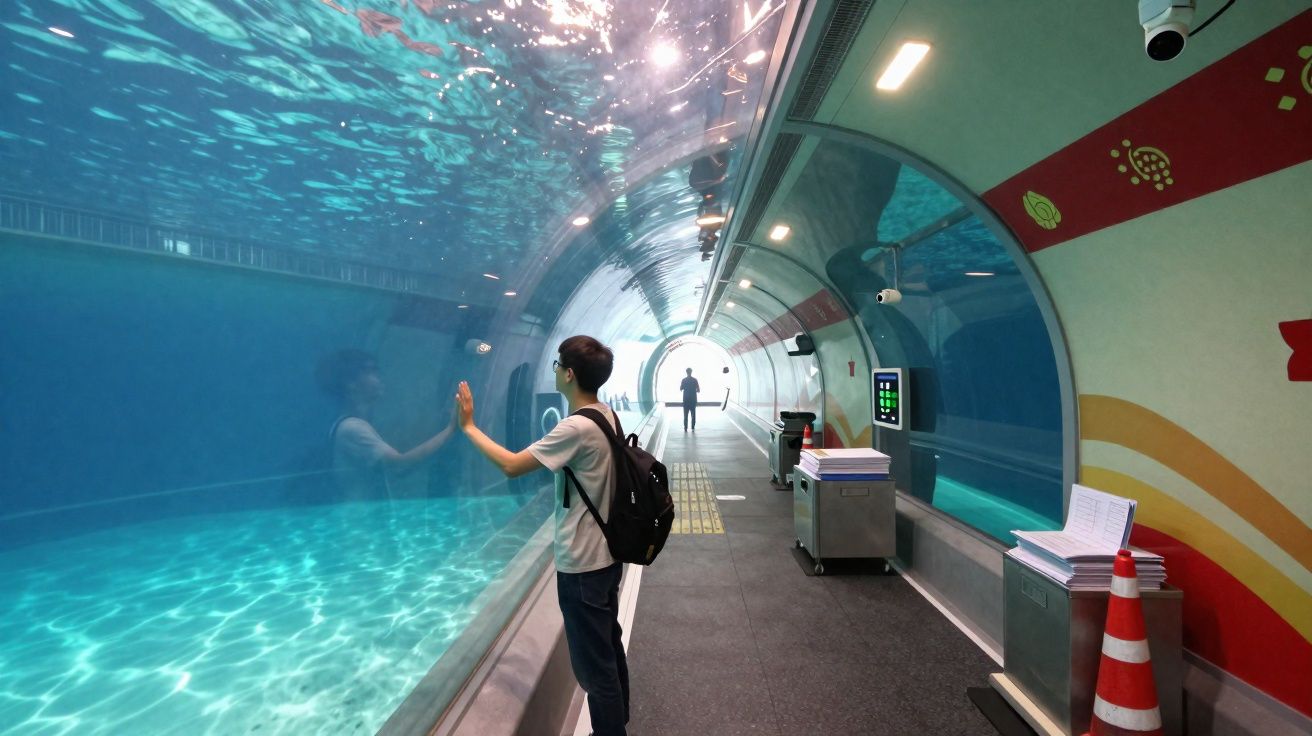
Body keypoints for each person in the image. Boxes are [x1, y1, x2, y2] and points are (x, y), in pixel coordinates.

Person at [455, 336, 629, 736]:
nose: (552, 369)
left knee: (593, 668)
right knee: (609, 646)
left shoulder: (575, 427)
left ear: (569, 374)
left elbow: (513, 467)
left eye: (556, 364)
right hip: (607, 555)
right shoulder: (607, 415)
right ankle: (618, 724)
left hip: (582, 564)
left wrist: (468, 427)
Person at [314, 349, 456, 501]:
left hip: (367, 518)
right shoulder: (352, 428)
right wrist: (452, 428)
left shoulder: (355, 425)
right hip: (360, 520)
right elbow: (400, 465)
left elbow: (398, 471)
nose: (379, 378)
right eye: (370, 372)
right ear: (351, 384)